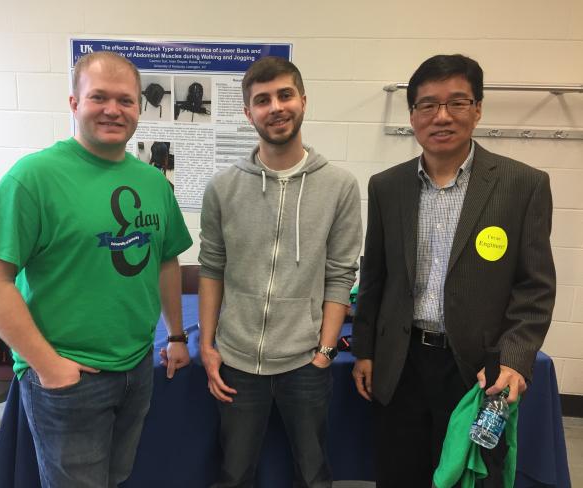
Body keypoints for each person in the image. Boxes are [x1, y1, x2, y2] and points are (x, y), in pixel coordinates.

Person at [0, 51, 193, 488]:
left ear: (139, 108)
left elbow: (165, 259)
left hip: (137, 366)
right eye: (98, 97)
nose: (113, 109)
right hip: (70, 378)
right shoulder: (34, 177)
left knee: (118, 477)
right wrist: (46, 365)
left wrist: (177, 335)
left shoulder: (152, 182)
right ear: (74, 103)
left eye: (125, 100)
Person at [351, 54, 556, 487]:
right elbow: (374, 279)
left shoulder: (523, 185)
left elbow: (534, 288)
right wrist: (366, 351)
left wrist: (515, 360)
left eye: (457, 103)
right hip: (399, 367)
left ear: (478, 109)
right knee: (399, 474)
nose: (441, 116)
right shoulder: (387, 186)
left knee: (471, 478)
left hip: (476, 372)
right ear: (412, 115)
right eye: (428, 105)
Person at [198, 56, 362, 488]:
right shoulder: (223, 187)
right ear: (248, 112)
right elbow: (212, 269)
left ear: (303, 101)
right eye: (262, 100)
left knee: (313, 473)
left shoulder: (339, 186)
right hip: (236, 360)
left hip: (305, 362)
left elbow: (340, 275)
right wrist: (209, 346)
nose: (276, 107)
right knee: (234, 473)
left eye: (285, 95)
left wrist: (325, 351)